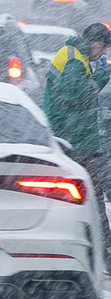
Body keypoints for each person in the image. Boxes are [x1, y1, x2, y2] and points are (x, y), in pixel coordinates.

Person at [43, 22, 111, 268]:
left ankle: (96, 250)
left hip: (72, 137)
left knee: (85, 194)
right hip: (74, 139)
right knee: (92, 194)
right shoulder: (74, 60)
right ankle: (103, 252)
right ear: (94, 42)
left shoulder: (73, 55)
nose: (103, 53)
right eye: (103, 48)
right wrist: (103, 75)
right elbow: (77, 96)